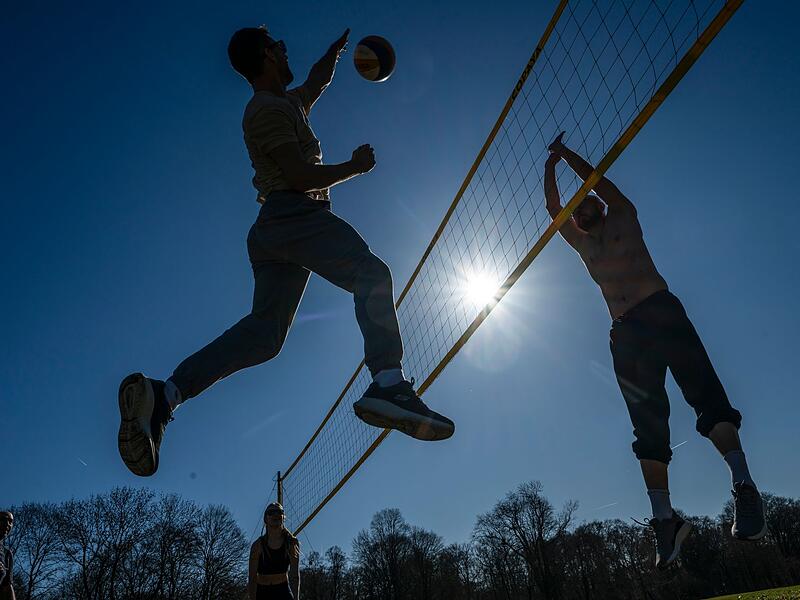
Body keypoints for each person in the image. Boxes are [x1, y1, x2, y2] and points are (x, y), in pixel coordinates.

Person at [117, 26, 455, 477]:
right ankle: (388, 383)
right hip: (293, 213)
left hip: (277, 231)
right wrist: (354, 168)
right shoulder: (265, 110)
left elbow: (313, 83)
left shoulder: (289, 103)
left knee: (265, 335)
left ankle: (167, 394)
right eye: (278, 44)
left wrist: (334, 55)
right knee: (371, 274)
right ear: (266, 55)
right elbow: (298, 176)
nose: (285, 46)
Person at [544, 132, 766, 569]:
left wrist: (567, 155)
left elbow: (599, 181)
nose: (580, 207)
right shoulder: (584, 246)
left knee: (706, 396)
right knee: (647, 429)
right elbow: (554, 210)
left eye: (586, 202)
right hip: (624, 333)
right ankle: (665, 521)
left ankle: (743, 484)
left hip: (661, 312)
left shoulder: (624, 215)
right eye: (577, 207)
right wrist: (550, 168)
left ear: (599, 206)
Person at [248, 503, 299, 600]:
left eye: (279, 512)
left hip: (283, 591)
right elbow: (252, 578)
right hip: (262, 592)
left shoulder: (291, 543)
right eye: (271, 512)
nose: (275, 515)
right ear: (265, 519)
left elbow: (294, 575)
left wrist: (296, 598)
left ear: (283, 517)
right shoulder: (257, 546)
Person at [0, 511, 15, 600]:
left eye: (10, 521)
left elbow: (8, 587)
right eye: (3, 520)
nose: (7, 524)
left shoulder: (7, 554)